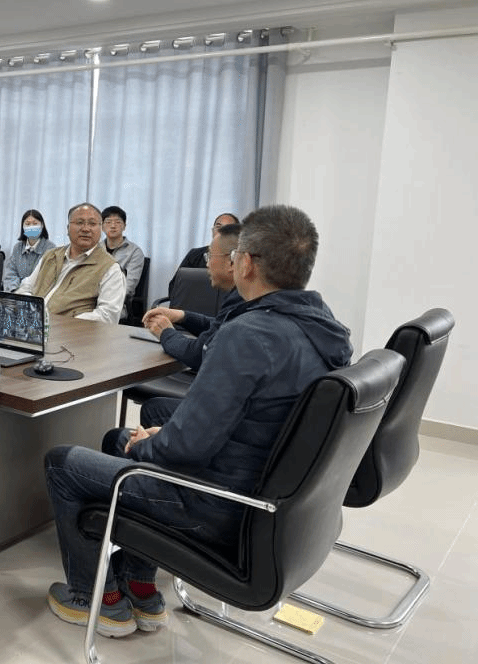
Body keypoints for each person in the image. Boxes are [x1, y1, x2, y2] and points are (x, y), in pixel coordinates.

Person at [43, 204, 352, 639]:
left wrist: (148, 443)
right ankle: (140, 586)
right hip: (264, 496)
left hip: (212, 503)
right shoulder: (325, 330)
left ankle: (96, 598)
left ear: (246, 263)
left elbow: (184, 450)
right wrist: (160, 436)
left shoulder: (249, 335)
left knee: (63, 462)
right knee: (119, 437)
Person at [139, 222, 242, 428]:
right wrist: (182, 316)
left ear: (233, 261)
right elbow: (218, 327)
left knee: (152, 411)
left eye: (210, 256)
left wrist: (166, 332)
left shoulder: (243, 300)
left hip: (224, 416)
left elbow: (196, 354)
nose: (207, 264)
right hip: (233, 409)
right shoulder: (243, 297)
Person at [17, 203, 126, 324]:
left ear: (100, 229)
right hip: (31, 325)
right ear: (68, 228)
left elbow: (108, 316)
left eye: (92, 224)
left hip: (71, 332)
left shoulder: (109, 267)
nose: (86, 229)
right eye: (79, 222)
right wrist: (30, 308)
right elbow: (26, 286)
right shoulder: (50, 255)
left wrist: (63, 323)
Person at [167, 211, 240, 296]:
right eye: (218, 227)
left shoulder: (240, 257)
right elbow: (174, 287)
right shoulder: (195, 254)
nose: (221, 231)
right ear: (212, 231)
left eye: (228, 228)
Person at [100, 206, 145, 304]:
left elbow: (129, 287)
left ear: (124, 226)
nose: (113, 226)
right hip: (90, 301)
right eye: (108, 222)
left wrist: (104, 298)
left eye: (117, 222)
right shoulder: (95, 249)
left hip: (117, 303)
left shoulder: (134, 252)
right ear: (102, 227)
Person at [2, 209, 56, 292]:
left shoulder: (50, 248)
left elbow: (49, 277)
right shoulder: (18, 247)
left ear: (42, 225)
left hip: (39, 294)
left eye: (35, 223)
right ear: (23, 227)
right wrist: (15, 290)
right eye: (27, 224)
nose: (31, 227)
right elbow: (10, 273)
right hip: (17, 293)